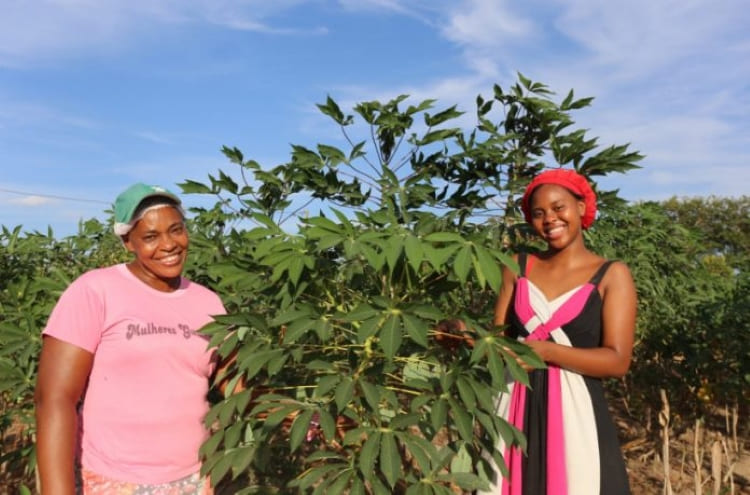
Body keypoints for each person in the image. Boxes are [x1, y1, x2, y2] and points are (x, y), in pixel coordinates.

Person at [34, 183, 226, 494]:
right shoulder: (95, 290)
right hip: (111, 479)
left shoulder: (208, 303)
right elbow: (54, 399)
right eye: (150, 236)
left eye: (176, 230)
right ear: (128, 242)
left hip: (194, 478)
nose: (168, 244)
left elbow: (238, 383)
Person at [480, 168, 637, 495]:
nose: (549, 218)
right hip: (513, 408)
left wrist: (548, 352)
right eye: (538, 213)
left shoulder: (611, 274)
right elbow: (496, 343)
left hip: (576, 416)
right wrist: (462, 334)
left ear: (581, 207)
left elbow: (618, 361)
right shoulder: (517, 265)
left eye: (558, 207)